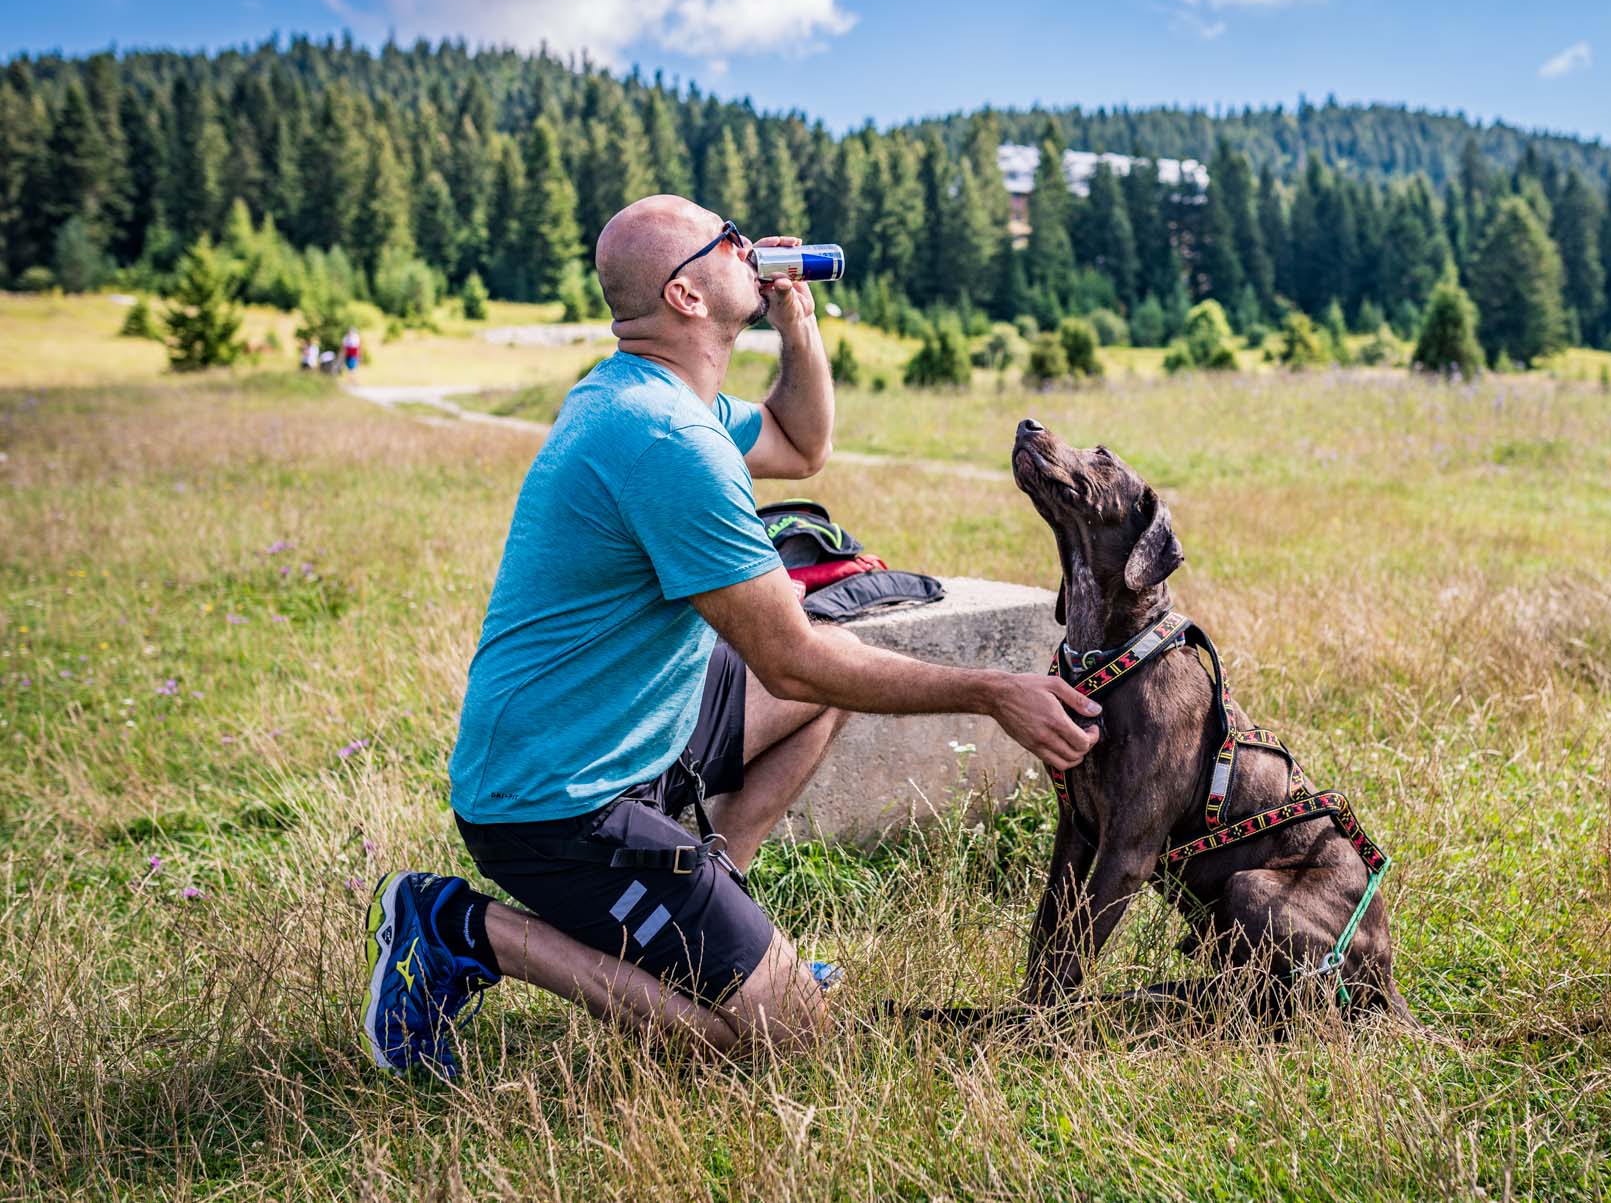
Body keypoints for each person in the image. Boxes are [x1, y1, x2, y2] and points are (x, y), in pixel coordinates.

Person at [360, 195, 1100, 1077]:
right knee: (785, 1038)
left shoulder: (659, 394)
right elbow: (786, 659)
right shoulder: (664, 437)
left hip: (629, 729)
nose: (752, 247)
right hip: (552, 802)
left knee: (835, 656)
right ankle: (456, 928)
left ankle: (712, 900)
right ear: (687, 295)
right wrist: (990, 690)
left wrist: (798, 322)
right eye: (729, 242)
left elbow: (800, 441)